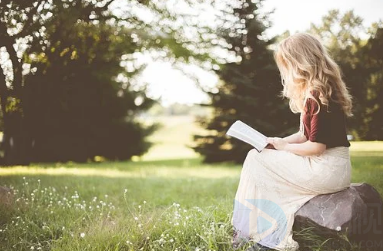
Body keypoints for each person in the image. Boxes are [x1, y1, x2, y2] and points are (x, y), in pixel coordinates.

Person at [231, 33, 353, 251]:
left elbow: (316, 147)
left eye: (287, 64)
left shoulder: (317, 94)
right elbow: (304, 135)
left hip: (326, 168)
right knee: (259, 157)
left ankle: (263, 234)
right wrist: (276, 141)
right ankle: (256, 229)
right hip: (330, 167)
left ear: (300, 62)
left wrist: (284, 148)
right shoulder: (317, 91)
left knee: (255, 159)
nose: (285, 71)